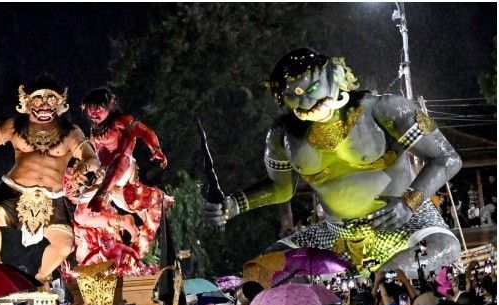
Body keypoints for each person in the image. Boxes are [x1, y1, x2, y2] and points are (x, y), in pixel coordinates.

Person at [206, 47, 461, 274]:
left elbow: (447, 157)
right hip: (334, 233)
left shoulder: (385, 108)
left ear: (335, 75)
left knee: (439, 249)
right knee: (259, 272)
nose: (307, 100)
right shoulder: (282, 136)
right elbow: (281, 189)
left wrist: (408, 203)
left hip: (401, 222)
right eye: (295, 95)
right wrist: (233, 205)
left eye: (313, 88)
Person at [0, 77, 102, 282]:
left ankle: (41, 278)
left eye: (51, 100)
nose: (45, 105)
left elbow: (93, 159)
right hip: (14, 190)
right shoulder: (14, 127)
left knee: (64, 245)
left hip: (52, 196)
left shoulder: (71, 133)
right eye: (38, 100)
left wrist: (83, 166)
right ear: (27, 102)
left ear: (60, 103)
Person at [78, 86, 168, 267]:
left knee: (122, 158)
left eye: (99, 108)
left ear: (110, 106)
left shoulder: (120, 121)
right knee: (80, 216)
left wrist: (156, 149)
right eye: (91, 109)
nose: (94, 113)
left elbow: (144, 131)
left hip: (122, 173)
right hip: (105, 177)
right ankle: (120, 225)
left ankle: (103, 196)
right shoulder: (93, 131)